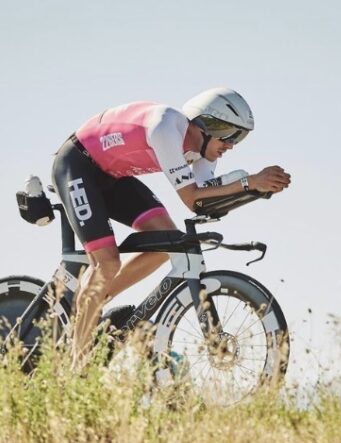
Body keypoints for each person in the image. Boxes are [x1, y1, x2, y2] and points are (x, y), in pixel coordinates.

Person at [51, 87, 291, 368]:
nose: (232, 145)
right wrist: (249, 182)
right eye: (230, 134)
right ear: (206, 124)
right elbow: (191, 197)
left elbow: (203, 201)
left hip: (113, 176)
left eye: (240, 137)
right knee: (106, 263)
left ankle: (95, 302)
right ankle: (75, 366)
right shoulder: (166, 127)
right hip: (78, 165)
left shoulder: (205, 153)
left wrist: (255, 193)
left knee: (167, 241)